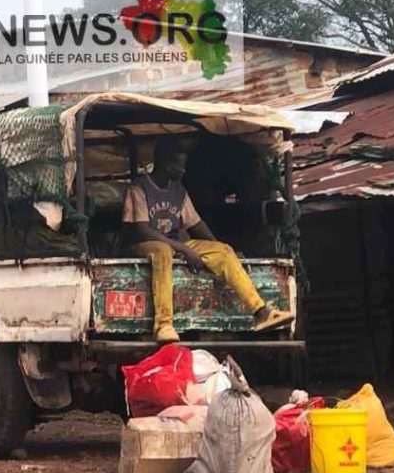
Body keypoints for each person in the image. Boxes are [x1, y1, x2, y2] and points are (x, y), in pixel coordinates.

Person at [122, 138, 295, 342]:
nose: (184, 171)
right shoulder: (139, 188)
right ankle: (164, 325)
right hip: (143, 244)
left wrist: (216, 246)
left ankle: (261, 312)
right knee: (162, 251)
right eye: (180, 166)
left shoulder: (178, 191)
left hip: (173, 244)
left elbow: (196, 224)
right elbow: (142, 230)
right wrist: (183, 249)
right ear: (166, 164)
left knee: (222, 251)